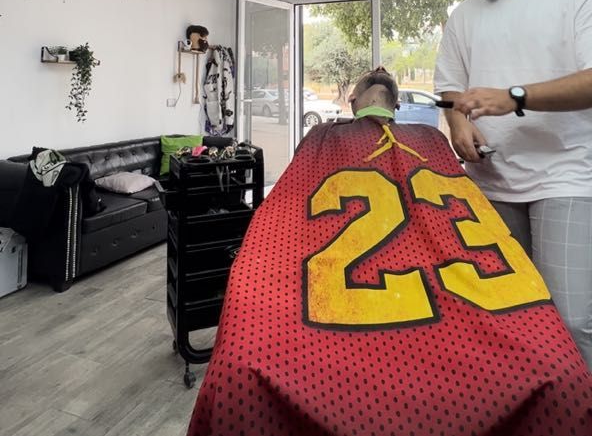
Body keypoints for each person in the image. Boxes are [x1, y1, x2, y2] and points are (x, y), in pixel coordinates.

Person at [187, 66, 592, 436]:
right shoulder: (405, 137)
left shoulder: (335, 136)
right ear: (357, 101)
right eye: (372, 74)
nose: (379, 70)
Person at [434, 0, 592, 369]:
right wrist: (457, 124)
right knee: (510, 315)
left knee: (570, 318)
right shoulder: (463, 17)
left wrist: (515, 97)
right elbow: (450, 88)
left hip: (564, 177)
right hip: (491, 181)